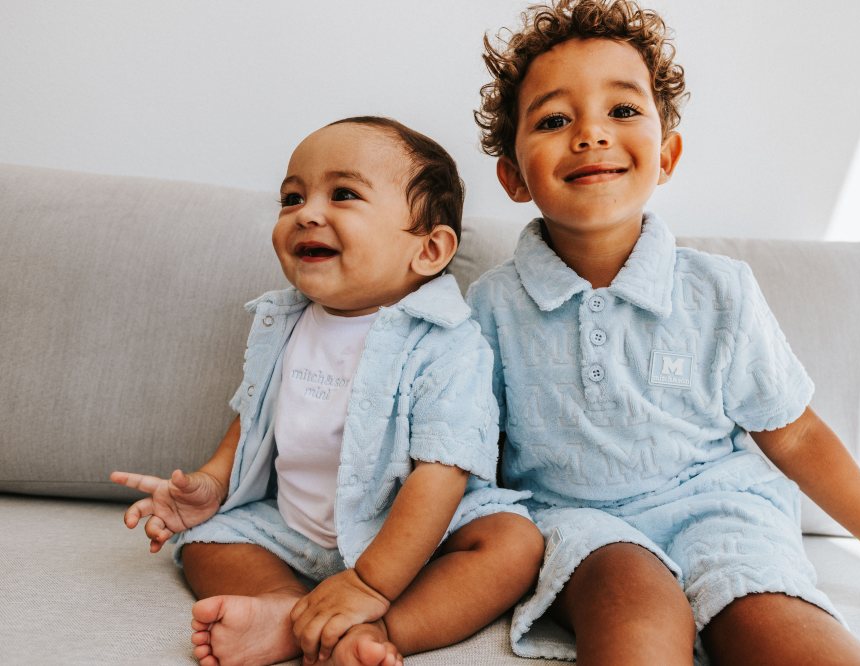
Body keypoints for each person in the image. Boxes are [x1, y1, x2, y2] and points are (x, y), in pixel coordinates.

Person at [466, 1, 860, 664]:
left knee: (784, 627)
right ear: (512, 176)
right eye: (555, 120)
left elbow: (796, 431)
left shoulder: (719, 290)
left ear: (666, 155)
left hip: (724, 513)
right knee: (637, 616)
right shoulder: (491, 306)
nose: (591, 135)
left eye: (622, 111)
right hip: (580, 528)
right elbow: (461, 457)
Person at [111, 116, 544, 666]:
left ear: (429, 251)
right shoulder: (281, 322)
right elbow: (256, 414)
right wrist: (211, 482)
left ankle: (386, 630)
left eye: (343, 194)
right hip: (296, 529)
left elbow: (442, 473)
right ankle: (287, 610)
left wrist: (370, 582)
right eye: (292, 198)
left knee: (512, 546)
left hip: (419, 541)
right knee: (203, 542)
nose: (307, 213)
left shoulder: (445, 343)